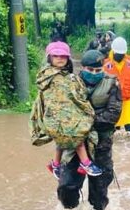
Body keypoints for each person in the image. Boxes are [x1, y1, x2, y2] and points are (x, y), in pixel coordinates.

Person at [57, 50, 122, 210]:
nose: (93, 72)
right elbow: (62, 111)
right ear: (81, 68)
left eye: (97, 69)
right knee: (66, 186)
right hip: (73, 145)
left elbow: (113, 115)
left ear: (103, 68)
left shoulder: (112, 85)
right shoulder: (70, 84)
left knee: (100, 189)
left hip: (101, 146)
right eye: (89, 69)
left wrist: (83, 123)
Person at [29, 41, 103, 179]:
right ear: (49, 57)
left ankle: (55, 164)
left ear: (68, 58)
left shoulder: (51, 76)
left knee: (61, 141)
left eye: (63, 56)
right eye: (56, 56)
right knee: (77, 137)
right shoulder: (54, 78)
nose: (60, 58)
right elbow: (73, 97)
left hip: (56, 118)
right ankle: (85, 163)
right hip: (57, 116)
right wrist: (88, 112)